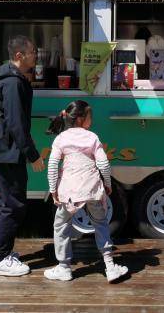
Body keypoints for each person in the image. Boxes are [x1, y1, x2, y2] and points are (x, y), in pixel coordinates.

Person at [44, 100, 129, 283]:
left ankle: (64, 267)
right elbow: (103, 164)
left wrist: (53, 189)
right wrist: (108, 184)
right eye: (90, 116)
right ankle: (110, 266)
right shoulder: (92, 137)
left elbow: (52, 166)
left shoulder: (61, 139)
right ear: (81, 119)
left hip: (69, 192)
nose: (92, 120)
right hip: (92, 189)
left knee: (61, 225)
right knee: (101, 223)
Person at [0, 35, 45, 277]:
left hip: (2, 150)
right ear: (19, 55)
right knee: (14, 204)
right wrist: (33, 155)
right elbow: (16, 124)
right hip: (7, 152)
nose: (36, 56)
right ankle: (1, 258)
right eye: (32, 53)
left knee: (6, 202)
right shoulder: (12, 83)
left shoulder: (7, 76)